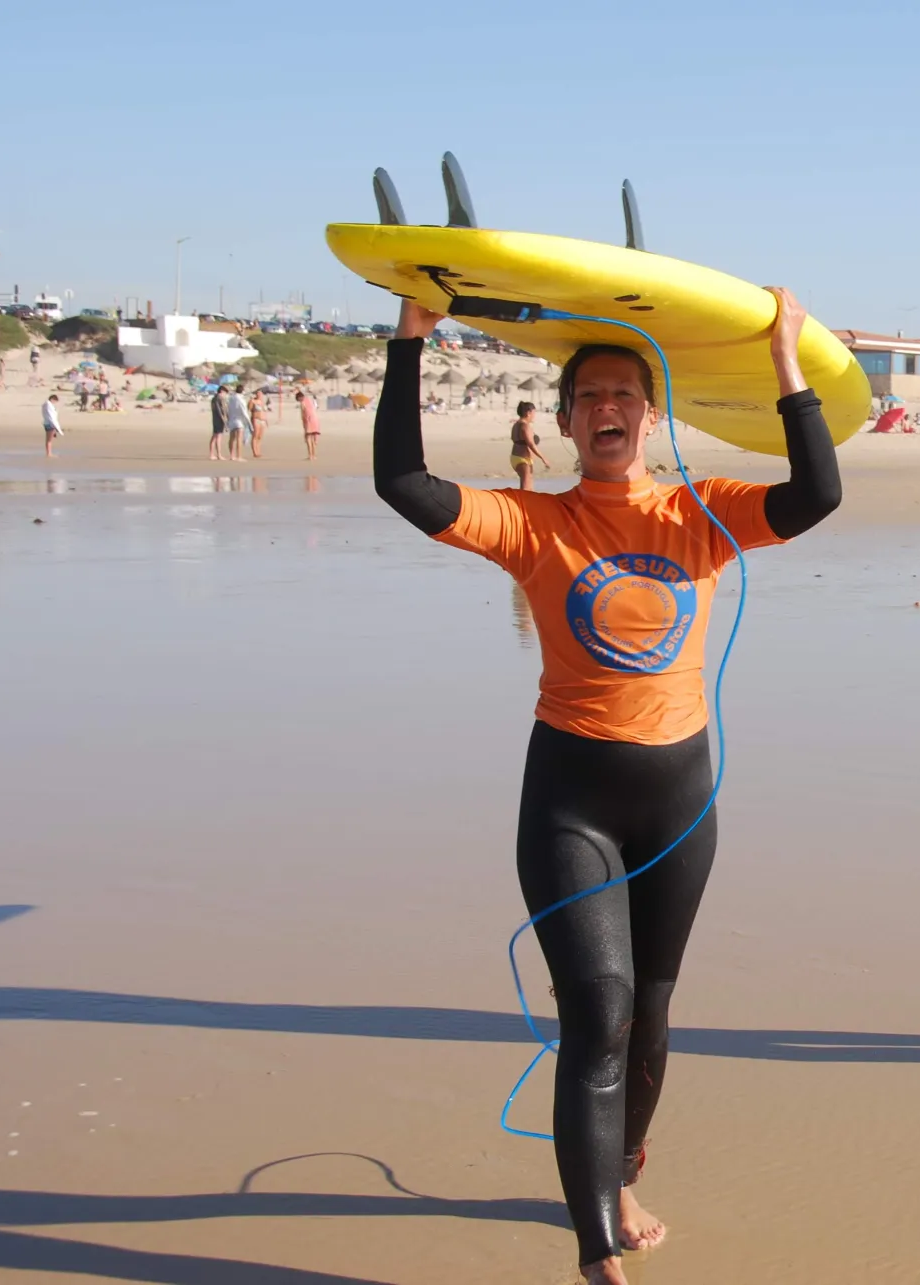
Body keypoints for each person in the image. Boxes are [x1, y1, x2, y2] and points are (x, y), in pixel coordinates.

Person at [373, 287, 839, 1285]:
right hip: (571, 803)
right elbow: (405, 483)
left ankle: (621, 1177)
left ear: (649, 412)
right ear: (570, 417)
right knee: (600, 1015)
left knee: (655, 1019)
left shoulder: (702, 511)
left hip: (681, 807)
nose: (610, 407)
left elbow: (817, 495)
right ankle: (596, 1256)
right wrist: (412, 340)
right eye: (591, 395)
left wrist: (786, 358)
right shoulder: (532, 523)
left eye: (627, 391)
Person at [510, 399, 552, 490]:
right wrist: (543, 458)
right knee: (526, 487)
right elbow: (531, 445)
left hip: (516, 457)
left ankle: (527, 503)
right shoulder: (525, 426)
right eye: (534, 412)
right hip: (523, 459)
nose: (534, 415)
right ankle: (523, 504)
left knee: (528, 485)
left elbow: (518, 440)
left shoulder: (516, 425)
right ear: (528, 413)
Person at [223, 385, 251, 461]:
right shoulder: (241, 399)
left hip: (232, 419)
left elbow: (227, 409)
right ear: (242, 391)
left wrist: (228, 419)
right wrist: (249, 422)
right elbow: (244, 411)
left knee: (232, 438)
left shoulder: (231, 398)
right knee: (239, 438)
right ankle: (239, 456)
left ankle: (232, 456)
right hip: (239, 420)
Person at [298, 388, 322, 461]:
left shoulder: (302, 403)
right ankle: (314, 455)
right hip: (315, 420)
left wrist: (304, 426)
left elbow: (303, 415)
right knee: (313, 439)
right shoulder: (310, 401)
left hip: (309, 421)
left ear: (300, 398)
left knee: (308, 438)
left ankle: (310, 455)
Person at [248, 388, 269, 458]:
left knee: (260, 436)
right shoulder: (253, 401)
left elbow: (265, 412)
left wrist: (266, 421)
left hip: (262, 420)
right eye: (258, 393)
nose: (259, 395)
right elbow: (250, 409)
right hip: (256, 419)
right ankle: (255, 452)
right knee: (255, 435)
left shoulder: (263, 402)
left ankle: (258, 450)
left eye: (260, 394)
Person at [208, 387, 227, 460]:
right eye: (224, 393)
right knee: (218, 437)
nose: (225, 395)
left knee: (214, 436)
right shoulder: (218, 398)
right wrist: (223, 419)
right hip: (219, 419)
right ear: (221, 391)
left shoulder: (214, 398)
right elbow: (220, 410)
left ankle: (212, 454)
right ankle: (219, 454)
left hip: (215, 419)